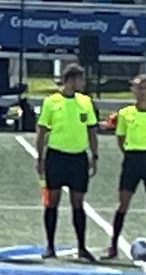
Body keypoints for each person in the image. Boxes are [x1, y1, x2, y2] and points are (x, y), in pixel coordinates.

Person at [35, 63, 99, 260]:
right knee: (52, 201)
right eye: (80, 79)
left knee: (78, 202)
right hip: (56, 157)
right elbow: (42, 131)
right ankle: (50, 246)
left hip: (78, 158)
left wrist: (94, 156)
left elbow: (92, 130)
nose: (83, 83)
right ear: (70, 80)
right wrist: (40, 158)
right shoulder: (51, 102)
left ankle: (81, 246)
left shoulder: (85, 102)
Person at [108, 74, 146, 261]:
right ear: (133, 89)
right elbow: (120, 138)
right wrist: (129, 153)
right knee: (123, 203)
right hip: (132, 159)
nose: (143, 92)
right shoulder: (125, 113)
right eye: (139, 88)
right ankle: (113, 246)